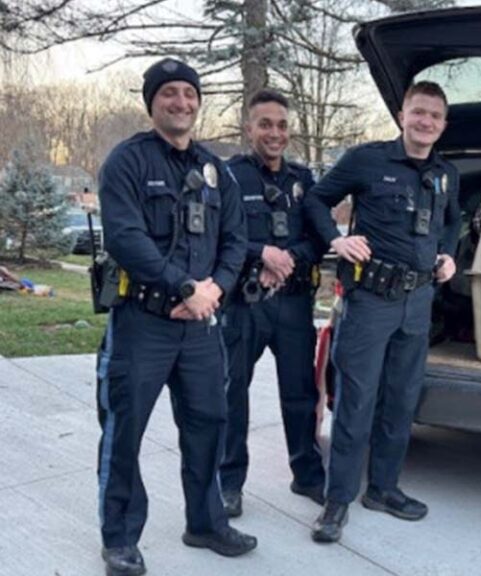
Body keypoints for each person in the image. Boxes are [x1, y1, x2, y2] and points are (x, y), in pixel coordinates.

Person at [96, 58, 257, 576]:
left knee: (209, 424)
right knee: (125, 432)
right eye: (169, 93)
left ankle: (205, 523)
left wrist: (215, 289)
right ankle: (120, 538)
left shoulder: (218, 171)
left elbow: (237, 241)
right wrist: (184, 286)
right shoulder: (127, 162)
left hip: (202, 327)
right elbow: (125, 238)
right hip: (143, 324)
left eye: (189, 93)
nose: (181, 102)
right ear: (152, 103)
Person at [304, 81, 461, 543]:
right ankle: (337, 500)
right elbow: (315, 198)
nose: (425, 122)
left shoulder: (447, 174)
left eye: (434, 116)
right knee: (357, 399)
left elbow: (453, 220)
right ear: (401, 115)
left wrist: (449, 255)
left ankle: (384, 489)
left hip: (417, 303)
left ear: (443, 124)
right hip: (370, 302)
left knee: (401, 400)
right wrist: (335, 239)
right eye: (418, 112)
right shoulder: (366, 160)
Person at [219, 89, 326, 517]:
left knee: (300, 393)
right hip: (244, 304)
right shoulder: (228, 176)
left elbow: (319, 236)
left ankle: (307, 475)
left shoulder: (303, 180)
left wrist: (288, 260)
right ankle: (229, 484)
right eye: (265, 124)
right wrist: (261, 254)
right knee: (232, 394)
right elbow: (220, 233)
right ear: (249, 129)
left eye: (281, 125)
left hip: (294, 304)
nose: (275, 133)